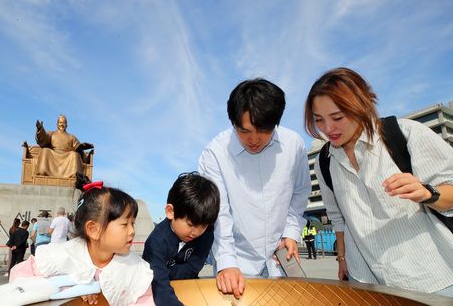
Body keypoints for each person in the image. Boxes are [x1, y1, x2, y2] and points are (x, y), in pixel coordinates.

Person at [304, 67, 453, 299]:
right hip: (368, 282)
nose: (328, 129)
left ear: (360, 105)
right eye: (319, 120)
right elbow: (338, 216)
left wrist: (428, 193)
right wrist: (342, 259)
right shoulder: (324, 161)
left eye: (338, 117)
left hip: (433, 279)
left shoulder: (407, 134)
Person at [198, 78, 311, 298]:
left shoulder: (294, 145)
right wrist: (227, 262)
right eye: (245, 131)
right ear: (233, 123)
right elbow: (219, 212)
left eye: (264, 130)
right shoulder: (215, 154)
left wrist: (291, 232)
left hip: (281, 260)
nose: (254, 140)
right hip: (238, 262)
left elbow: (300, 191)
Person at [30, 181, 154, 305]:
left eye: (133, 223)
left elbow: (146, 300)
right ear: (93, 229)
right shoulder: (62, 255)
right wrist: (70, 289)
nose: (132, 231)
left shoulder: (135, 268)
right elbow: (20, 280)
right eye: (125, 224)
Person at [143, 172, 220, 306]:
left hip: (187, 288)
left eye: (203, 226)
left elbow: (193, 268)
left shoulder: (206, 233)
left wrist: (166, 272)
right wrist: (164, 274)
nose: (196, 232)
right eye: (191, 225)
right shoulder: (156, 242)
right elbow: (159, 286)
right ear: (170, 212)